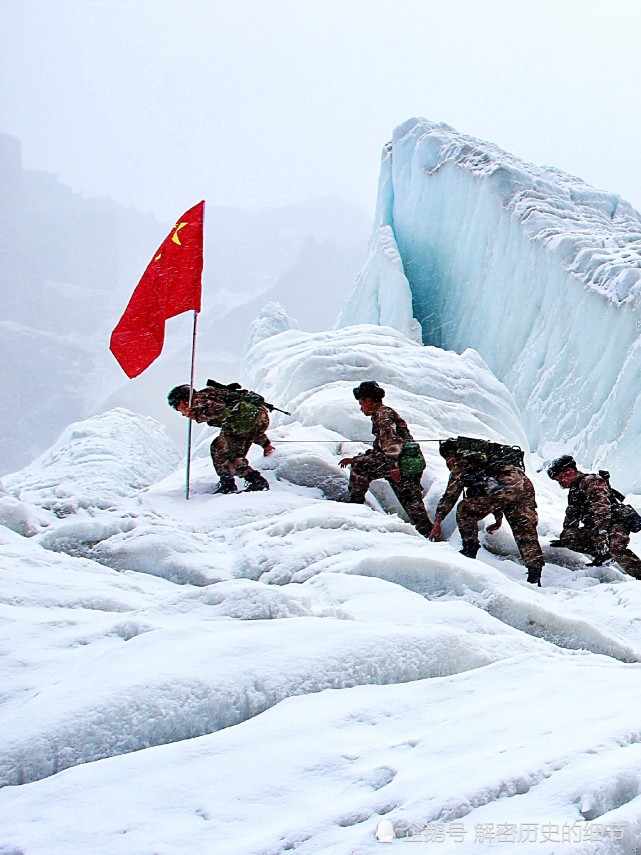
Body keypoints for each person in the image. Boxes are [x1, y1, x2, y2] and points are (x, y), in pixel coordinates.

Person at [429, 438, 545, 586]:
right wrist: (498, 519)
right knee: (525, 531)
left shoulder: (462, 461)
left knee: (464, 509)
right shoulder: (488, 460)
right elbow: (496, 493)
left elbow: (450, 495)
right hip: (522, 484)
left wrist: (438, 521)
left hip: (504, 486)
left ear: (450, 455)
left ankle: (469, 550)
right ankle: (535, 576)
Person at [338, 381, 432, 537]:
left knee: (360, 467)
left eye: (361, 403)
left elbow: (390, 442)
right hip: (407, 463)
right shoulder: (383, 414)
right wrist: (356, 458)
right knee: (413, 505)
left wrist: (392, 466)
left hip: (399, 462)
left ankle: (355, 504)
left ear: (369, 400)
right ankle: (428, 532)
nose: (361, 408)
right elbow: (381, 448)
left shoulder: (383, 414)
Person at [167, 383, 274, 494]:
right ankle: (228, 482)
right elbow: (251, 426)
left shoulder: (199, 400)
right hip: (257, 417)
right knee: (217, 446)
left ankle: (254, 481)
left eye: (178, 409)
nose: (182, 413)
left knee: (225, 454)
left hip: (241, 422)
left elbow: (221, 410)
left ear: (182, 402)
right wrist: (265, 444)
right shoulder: (209, 394)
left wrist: (197, 413)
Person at [547, 455, 641, 579]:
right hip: (597, 526)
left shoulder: (591, 480)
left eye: (560, 478)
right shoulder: (574, 492)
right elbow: (572, 515)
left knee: (616, 547)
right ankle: (603, 554)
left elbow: (601, 505)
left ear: (569, 471)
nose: (560, 483)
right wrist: (566, 538)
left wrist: (601, 531)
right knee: (568, 537)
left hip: (615, 522)